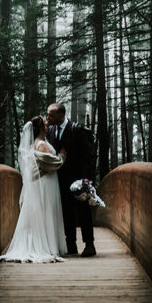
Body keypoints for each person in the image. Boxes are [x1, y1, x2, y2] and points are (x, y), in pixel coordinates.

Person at [0, 116, 67, 263]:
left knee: (45, 212)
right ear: (41, 127)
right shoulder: (41, 144)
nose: (47, 123)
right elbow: (50, 164)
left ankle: (48, 245)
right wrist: (62, 156)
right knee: (46, 211)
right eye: (45, 122)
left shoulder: (41, 142)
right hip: (45, 182)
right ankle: (45, 247)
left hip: (45, 182)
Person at [46, 102, 96, 257]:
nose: (48, 117)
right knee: (66, 211)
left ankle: (89, 245)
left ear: (61, 115)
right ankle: (71, 244)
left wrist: (86, 178)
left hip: (78, 179)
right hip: (60, 180)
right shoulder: (51, 130)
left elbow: (88, 156)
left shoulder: (76, 129)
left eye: (51, 115)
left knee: (83, 211)